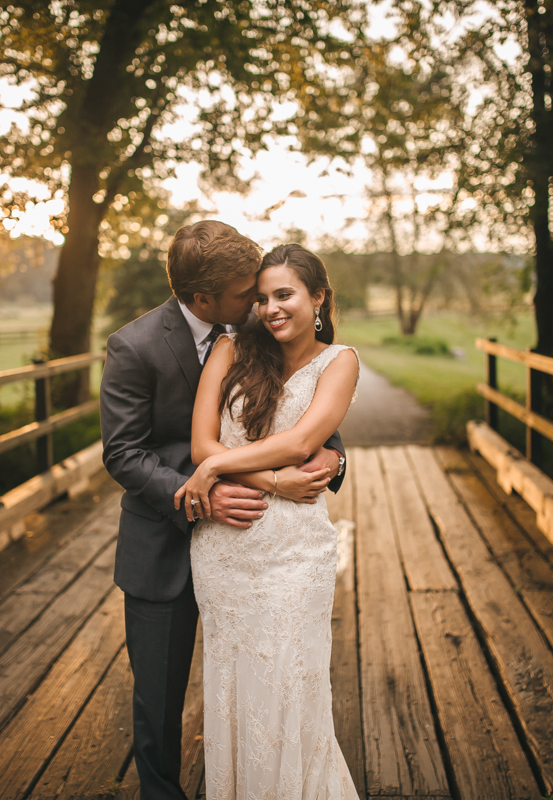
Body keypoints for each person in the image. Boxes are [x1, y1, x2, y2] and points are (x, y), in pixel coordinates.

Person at [100, 222, 348, 800]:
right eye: (248, 293)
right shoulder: (133, 346)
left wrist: (331, 456)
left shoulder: (252, 329)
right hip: (165, 541)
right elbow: (123, 453)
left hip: (261, 544)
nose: (260, 302)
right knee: (158, 698)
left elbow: (301, 403)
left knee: (263, 680)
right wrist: (201, 492)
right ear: (203, 298)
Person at [174, 244, 361, 799]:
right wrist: (270, 480)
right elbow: (200, 442)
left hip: (295, 550)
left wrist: (213, 470)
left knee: (290, 684)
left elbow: (304, 441)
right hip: (225, 549)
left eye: (285, 295)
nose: (272, 309)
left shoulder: (340, 360)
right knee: (235, 688)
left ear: (318, 296)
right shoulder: (231, 348)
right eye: (262, 299)